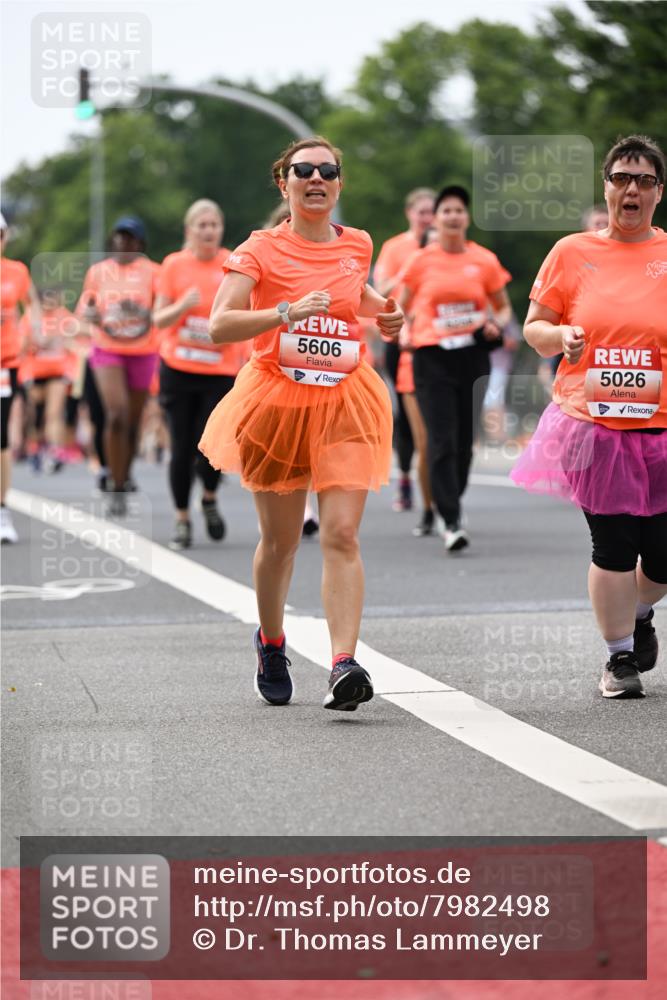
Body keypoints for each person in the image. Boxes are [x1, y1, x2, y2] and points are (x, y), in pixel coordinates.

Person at [199, 136, 403, 710]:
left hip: (345, 397)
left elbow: (353, 294)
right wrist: (286, 312)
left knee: (341, 533)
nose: (317, 178)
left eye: (328, 171)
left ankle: (343, 663)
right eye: (303, 170)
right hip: (276, 404)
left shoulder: (358, 243)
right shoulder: (259, 248)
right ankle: (270, 641)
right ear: (283, 182)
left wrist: (386, 312)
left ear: (339, 183)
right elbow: (220, 325)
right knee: (282, 541)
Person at [511, 134, 666, 699]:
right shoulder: (572, 252)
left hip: (664, 424)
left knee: (664, 550)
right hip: (593, 423)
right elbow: (534, 327)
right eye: (621, 178)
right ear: (606, 187)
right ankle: (619, 659)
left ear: (658, 193)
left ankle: (640, 610)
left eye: (643, 180)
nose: (631, 189)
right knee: (615, 545)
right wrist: (562, 336)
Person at [398, 185, 512, 551]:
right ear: (437, 218)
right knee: (441, 438)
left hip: (472, 356)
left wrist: (496, 322)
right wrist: (403, 331)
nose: (451, 216)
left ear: (466, 217)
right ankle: (449, 518)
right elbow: (399, 307)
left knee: (464, 441)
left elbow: (504, 307)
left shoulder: (484, 260)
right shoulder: (421, 261)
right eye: (444, 210)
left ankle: (453, 502)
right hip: (431, 357)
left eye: (457, 210)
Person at [154, 199, 243, 549]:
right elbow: (157, 320)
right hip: (178, 367)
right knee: (181, 446)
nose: (208, 231)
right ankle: (181, 519)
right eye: (201, 225)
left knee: (212, 447)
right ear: (189, 230)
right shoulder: (174, 265)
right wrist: (182, 307)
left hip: (219, 370)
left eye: (214, 225)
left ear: (221, 229)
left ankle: (207, 497)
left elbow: (246, 313)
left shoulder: (232, 263)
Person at [76, 216, 160, 516]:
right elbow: (84, 310)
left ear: (140, 244)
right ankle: (114, 478)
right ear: (113, 241)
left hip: (143, 350)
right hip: (106, 348)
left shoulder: (153, 272)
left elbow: (162, 308)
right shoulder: (98, 272)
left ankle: (124, 475)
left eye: (130, 238)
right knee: (116, 414)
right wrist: (90, 315)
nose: (124, 243)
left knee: (134, 422)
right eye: (119, 238)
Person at [374, 188, 435, 512]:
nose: (427, 218)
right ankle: (406, 476)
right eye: (422, 212)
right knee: (407, 418)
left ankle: (433, 483)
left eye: (431, 212)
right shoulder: (396, 247)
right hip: (399, 338)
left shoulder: (443, 247)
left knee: (431, 418)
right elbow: (378, 288)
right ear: (409, 213)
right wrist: (405, 271)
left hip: (434, 339)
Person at [0, 212, 41, 542]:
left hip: (6, 362)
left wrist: (34, 329)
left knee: (1, 438)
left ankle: (2, 511)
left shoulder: (16, 271)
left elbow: (32, 304)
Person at [18, 288, 80, 472]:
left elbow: (78, 331)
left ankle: (54, 452)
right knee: (35, 414)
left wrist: (67, 340)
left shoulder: (63, 316)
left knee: (53, 413)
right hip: (35, 371)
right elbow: (21, 344)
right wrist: (35, 343)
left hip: (58, 370)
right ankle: (35, 449)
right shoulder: (31, 317)